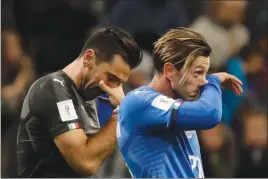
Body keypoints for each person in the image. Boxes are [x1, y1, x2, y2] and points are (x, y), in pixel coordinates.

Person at [16, 26, 142, 178]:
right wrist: (120, 113)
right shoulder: (52, 89)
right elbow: (85, 163)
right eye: (111, 78)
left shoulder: (88, 97)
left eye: (120, 83)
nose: (113, 89)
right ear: (89, 58)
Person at [116, 28, 243, 178]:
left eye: (206, 74)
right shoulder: (140, 100)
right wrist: (214, 81)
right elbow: (210, 114)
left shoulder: (175, 107)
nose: (204, 81)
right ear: (169, 70)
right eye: (198, 73)